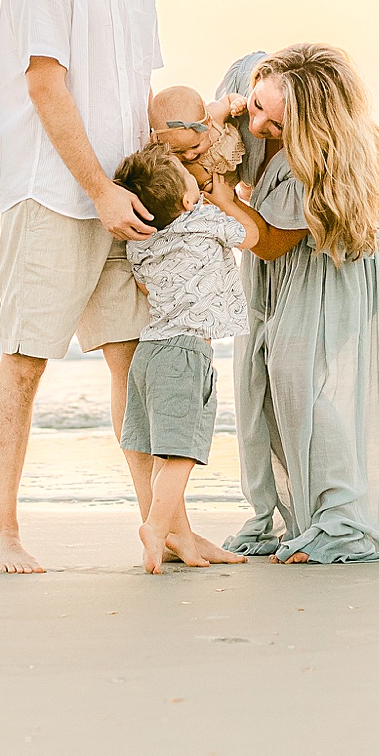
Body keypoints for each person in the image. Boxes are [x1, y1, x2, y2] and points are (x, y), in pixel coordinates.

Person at [0, 0, 196, 574]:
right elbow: (46, 84)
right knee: (25, 361)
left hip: (124, 200)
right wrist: (97, 188)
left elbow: (134, 94)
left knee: (134, 363)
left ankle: (163, 526)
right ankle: (0, 535)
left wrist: (158, 182)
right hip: (52, 196)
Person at [210, 43, 379, 564]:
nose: (259, 124)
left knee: (300, 376)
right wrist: (219, 113)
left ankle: (341, 519)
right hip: (283, 249)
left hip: (341, 250)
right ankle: (290, 514)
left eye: (277, 125)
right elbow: (208, 129)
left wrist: (221, 197)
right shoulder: (249, 79)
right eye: (258, 104)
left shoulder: (317, 160)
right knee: (263, 374)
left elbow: (268, 241)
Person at [114, 133, 261, 573]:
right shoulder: (203, 220)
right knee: (181, 452)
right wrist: (225, 201)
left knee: (162, 452)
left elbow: (142, 282)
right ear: (186, 199)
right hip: (186, 352)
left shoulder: (139, 241)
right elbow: (251, 236)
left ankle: (179, 539)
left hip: (150, 352)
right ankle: (156, 526)